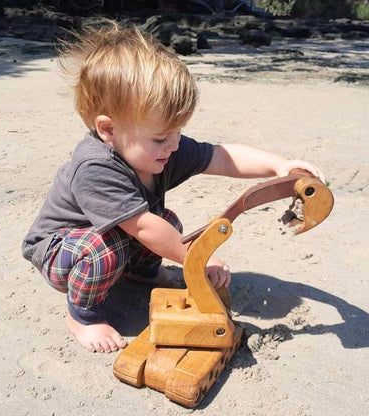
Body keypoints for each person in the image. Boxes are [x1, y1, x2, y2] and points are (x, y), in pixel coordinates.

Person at [22, 22, 324, 354]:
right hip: (62, 249)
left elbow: (221, 157)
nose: (174, 144)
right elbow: (144, 228)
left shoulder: (162, 149)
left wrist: (278, 165)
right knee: (114, 245)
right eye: (161, 137)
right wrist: (198, 259)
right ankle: (83, 317)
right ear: (108, 129)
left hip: (112, 235)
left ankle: (142, 274)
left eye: (178, 131)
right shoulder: (95, 167)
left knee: (169, 221)